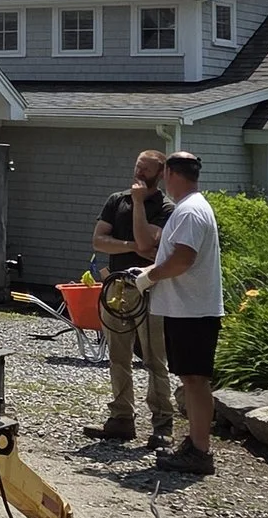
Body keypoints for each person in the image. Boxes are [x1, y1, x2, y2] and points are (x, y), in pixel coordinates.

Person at [134, 150, 223, 475]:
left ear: (171, 173)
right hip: (189, 309)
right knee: (191, 379)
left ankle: (200, 452)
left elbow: (183, 259)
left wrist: (150, 277)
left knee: (196, 381)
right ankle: (196, 444)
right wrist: (148, 269)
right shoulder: (192, 208)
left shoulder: (189, 212)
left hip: (193, 312)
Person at [85, 148, 174, 444]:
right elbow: (99, 241)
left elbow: (151, 242)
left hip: (148, 287)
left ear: (160, 174)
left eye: (146, 169)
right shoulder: (115, 200)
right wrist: (130, 245)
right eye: (137, 166)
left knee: (153, 358)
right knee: (118, 356)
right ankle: (122, 417)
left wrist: (138, 204)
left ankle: (162, 423)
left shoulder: (167, 208)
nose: (139, 173)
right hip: (116, 285)